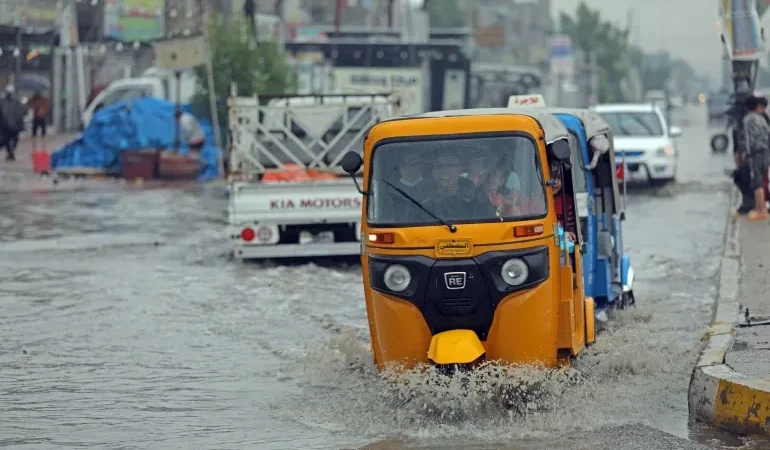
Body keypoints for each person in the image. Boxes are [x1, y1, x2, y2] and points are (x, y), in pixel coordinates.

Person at [425, 152, 496, 220]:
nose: (444, 170)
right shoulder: (417, 200)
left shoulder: (478, 200)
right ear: (432, 171)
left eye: (451, 165)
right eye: (438, 166)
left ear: (460, 169)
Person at [741, 95, 770, 220]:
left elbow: (749, 139)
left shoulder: (748, 120)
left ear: (746, 108)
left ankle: (761, 209)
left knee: (756, 181)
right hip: (766, 152)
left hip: (756, 153)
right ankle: (760, 207)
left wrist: (747, 152)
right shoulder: (762, 118)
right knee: (762, 179)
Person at [550, 162, 577, 242]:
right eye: (550, 177)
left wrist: (570, 234)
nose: (555, 182)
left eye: (558, 178)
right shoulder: (535, 201)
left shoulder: (567, 201)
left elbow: (572, 228)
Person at [0, 85, 27, 161]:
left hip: (9, 125)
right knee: (10, 139)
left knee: (9, 139)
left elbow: (23, 112)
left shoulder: (15, 102)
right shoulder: (5, 102)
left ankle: (10, 152)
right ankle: (10, 152)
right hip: (10, 125)